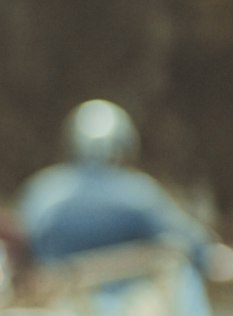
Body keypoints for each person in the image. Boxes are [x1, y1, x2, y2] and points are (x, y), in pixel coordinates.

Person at [17, 99, 215, 274]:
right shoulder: (138, 193)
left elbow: (22, 237)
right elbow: (188, 239)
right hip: (125, 306)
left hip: (54, 301)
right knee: (181, 271)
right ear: (123, 145)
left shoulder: (44, 189)